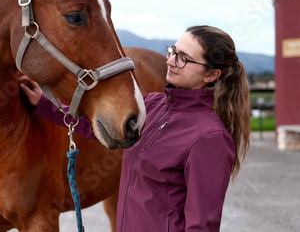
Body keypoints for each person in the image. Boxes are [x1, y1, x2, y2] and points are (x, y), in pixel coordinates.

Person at [19, 25, 250, 232]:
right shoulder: (153, 104)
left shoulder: (210, 138)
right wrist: (46, 105)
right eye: (173, 51)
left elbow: (202, 225)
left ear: (211, 75)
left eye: (183, 58)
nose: (169, 61)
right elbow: (97, 129)